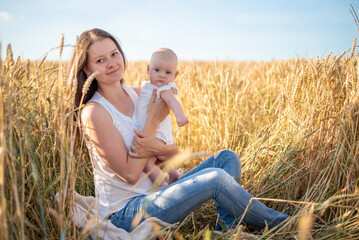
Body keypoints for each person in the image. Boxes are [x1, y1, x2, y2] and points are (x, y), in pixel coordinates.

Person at [69, 28, 289, 234]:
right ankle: (284, 223)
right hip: (127, 213)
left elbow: (174, 157)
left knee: (226, 158)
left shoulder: (141, 93)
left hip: (161, 191)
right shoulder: (94, 112)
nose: (111, 63)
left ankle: (227, 227)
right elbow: (130, 174)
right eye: (100, 60)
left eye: (114, 54)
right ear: (87, 70)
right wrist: (152, 122)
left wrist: (158, 148)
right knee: (216, 179)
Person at [136, 48, 188, 190]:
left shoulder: (164, 89)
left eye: (168, 72)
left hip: (158, 134)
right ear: (148, 69)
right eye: (157, 70)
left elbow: (173, 102)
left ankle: (161, 185)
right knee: (160, 160)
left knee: (147, 162)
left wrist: (179, 115)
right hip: (155, 133)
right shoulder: (147, 87)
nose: (162, 76)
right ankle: (173, 174)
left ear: (175, 75)